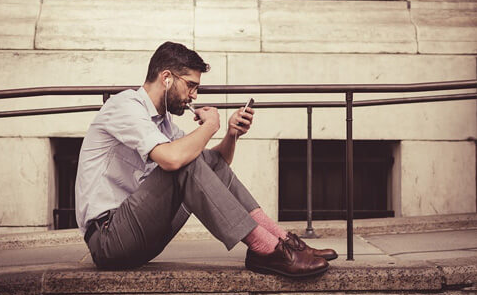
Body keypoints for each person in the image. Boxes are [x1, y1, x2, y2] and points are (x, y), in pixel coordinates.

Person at [75, 41, 337, 277]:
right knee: (181, 161)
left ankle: (283, 242)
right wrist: (209, 127)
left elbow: (212, 165)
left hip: (141, 235)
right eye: (191, 85)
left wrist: (231, 134)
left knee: (198, 159)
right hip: (109, 238)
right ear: (166, 78)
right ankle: (265, 249)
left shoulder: (163, 122)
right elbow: (173, 161)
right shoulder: (125, 106)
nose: (194, 96)